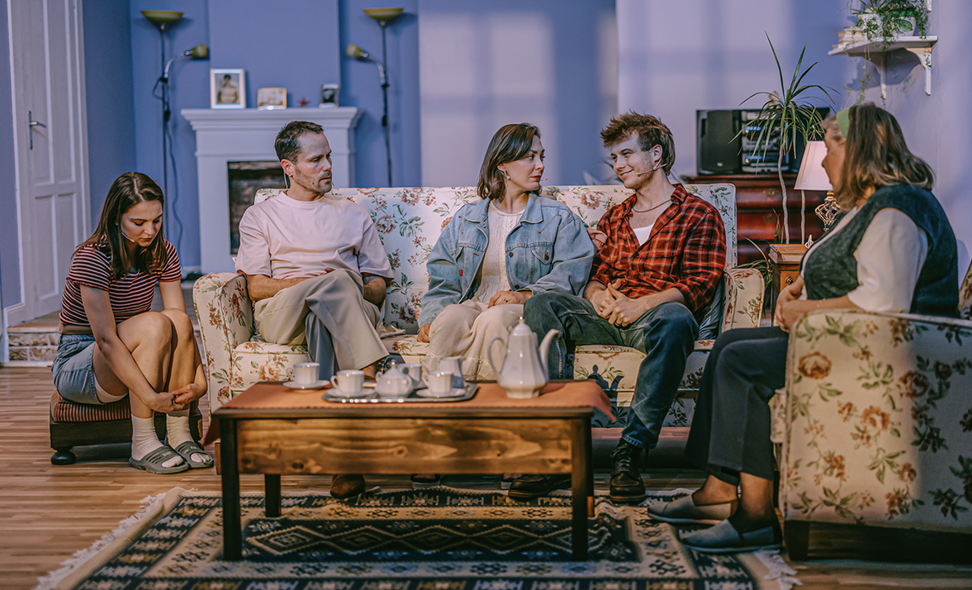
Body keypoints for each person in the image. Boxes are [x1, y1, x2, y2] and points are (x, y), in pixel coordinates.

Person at [663, 103, 959, 553]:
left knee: (742, 362)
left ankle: (755, 516)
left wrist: (806, 309)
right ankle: (717, 490)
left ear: (859, 150)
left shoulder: (900, 208)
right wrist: (796, 289)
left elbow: (883, 303)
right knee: (728, 344)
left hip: (883, 354)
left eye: (831, 149)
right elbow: (838, 263)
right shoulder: (869, 206)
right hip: (844, 338)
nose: (822, 162)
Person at [511, 112, 727, 503]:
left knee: (677, 318)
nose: (619, 165)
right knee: (542, 304)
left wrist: (640, 305)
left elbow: (700, 283)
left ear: (656, 155)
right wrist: (597, 296)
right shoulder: (615, 217)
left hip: (656, 319)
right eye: (614, 158)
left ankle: (630, 452)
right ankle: (555, 452)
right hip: (606, 316)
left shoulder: (698, 213)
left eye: (627, 154)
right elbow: (595, 275)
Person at [235, 120, 393, 499]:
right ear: (289, 167)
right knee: (333, 284)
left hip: (348, 308)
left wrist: (348, 287)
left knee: (330, 304)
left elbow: (378, 287)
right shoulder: (261, 216)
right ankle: (369, 380)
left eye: (329, 157)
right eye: (316, 160)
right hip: (283, 312)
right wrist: (313, 283)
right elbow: (256, 287)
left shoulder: (352, 214)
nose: (328, 166)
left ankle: (342, 458)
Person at [51, 172, 211, 474]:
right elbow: (106, 341)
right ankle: (144, 442)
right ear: (116, 218)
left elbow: (182, 330)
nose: (150, 231)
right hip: (81, 363)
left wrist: (201, 383)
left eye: (157, 220)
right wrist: (151, 397)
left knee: (175, 319)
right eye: (138, 222)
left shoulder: (163, 252)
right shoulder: (92, 258)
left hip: (134, 351)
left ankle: (179, 435)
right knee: (153, 324)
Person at [417, 123, 595, 381]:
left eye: (542, 157)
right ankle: (439, 395)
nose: (541, 165)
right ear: (502, 164)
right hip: (476, 302)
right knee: (450, 318)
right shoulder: (467, 218)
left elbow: (572, 271)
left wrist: (524, 295)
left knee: (494, 319)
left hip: (522, 308)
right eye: (530, 157)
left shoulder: (557, 216)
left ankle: (492, 399)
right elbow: (443, 277)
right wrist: (432, 317)